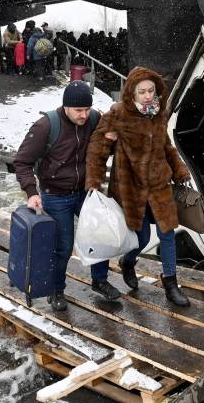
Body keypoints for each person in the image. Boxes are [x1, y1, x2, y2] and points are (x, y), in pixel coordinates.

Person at [86, 66, 192, 307]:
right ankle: (128, 261)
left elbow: (166, 146)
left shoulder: (158, 114)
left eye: (151, 91)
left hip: (158, 187)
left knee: (167, 234)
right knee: (141, 238)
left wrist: (179, 168)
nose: (147, 96)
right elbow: (97, 150)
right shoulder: (117, 115)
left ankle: (171, 284)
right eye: (142, 91)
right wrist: (94, 181)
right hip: (130, 190)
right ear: (132, 93)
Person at [14, 81, 121, 311]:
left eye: (87, 109)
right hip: (56, 195)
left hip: (85, 191)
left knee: (100, 235)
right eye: (78, 111)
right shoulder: (46, 126)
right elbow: (22, 162)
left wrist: (112, 140)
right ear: (66, 107)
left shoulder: (93, 119)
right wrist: (31, 192)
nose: (84, 115)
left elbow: (102, 146)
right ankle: (56, 289)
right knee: (63, 246)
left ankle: (99, 281)